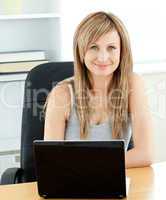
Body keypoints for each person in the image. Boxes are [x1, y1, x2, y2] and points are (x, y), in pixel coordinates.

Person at [44, 11, 153, 168]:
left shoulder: (132, 84)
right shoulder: (62, 94)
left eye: (111, 48)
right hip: (72, 184)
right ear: (81, 51)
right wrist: (101, 164)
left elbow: (145, 154)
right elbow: (51, 160)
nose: (102, 57)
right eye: (94, 47)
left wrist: (90, 164)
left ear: (122, 51)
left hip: (114, 183)